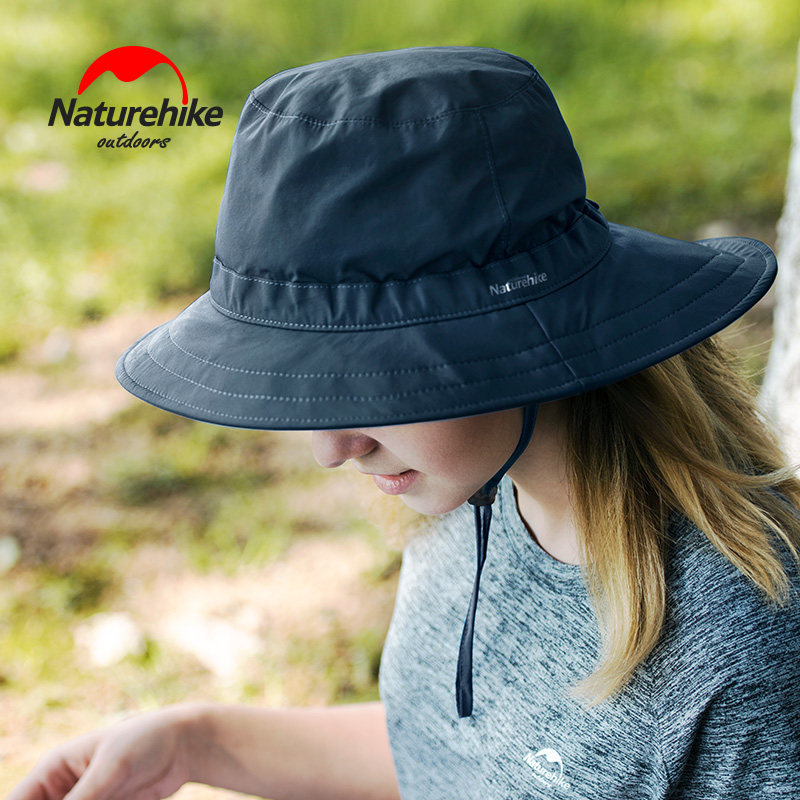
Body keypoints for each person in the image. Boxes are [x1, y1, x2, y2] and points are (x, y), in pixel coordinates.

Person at [9, 45, 800, 800]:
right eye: (314, 386)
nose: (332, 449)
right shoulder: (473, 486)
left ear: (521, 338)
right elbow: (464, 756)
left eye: (375, 380)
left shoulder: (736, 651)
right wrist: (195, 742)